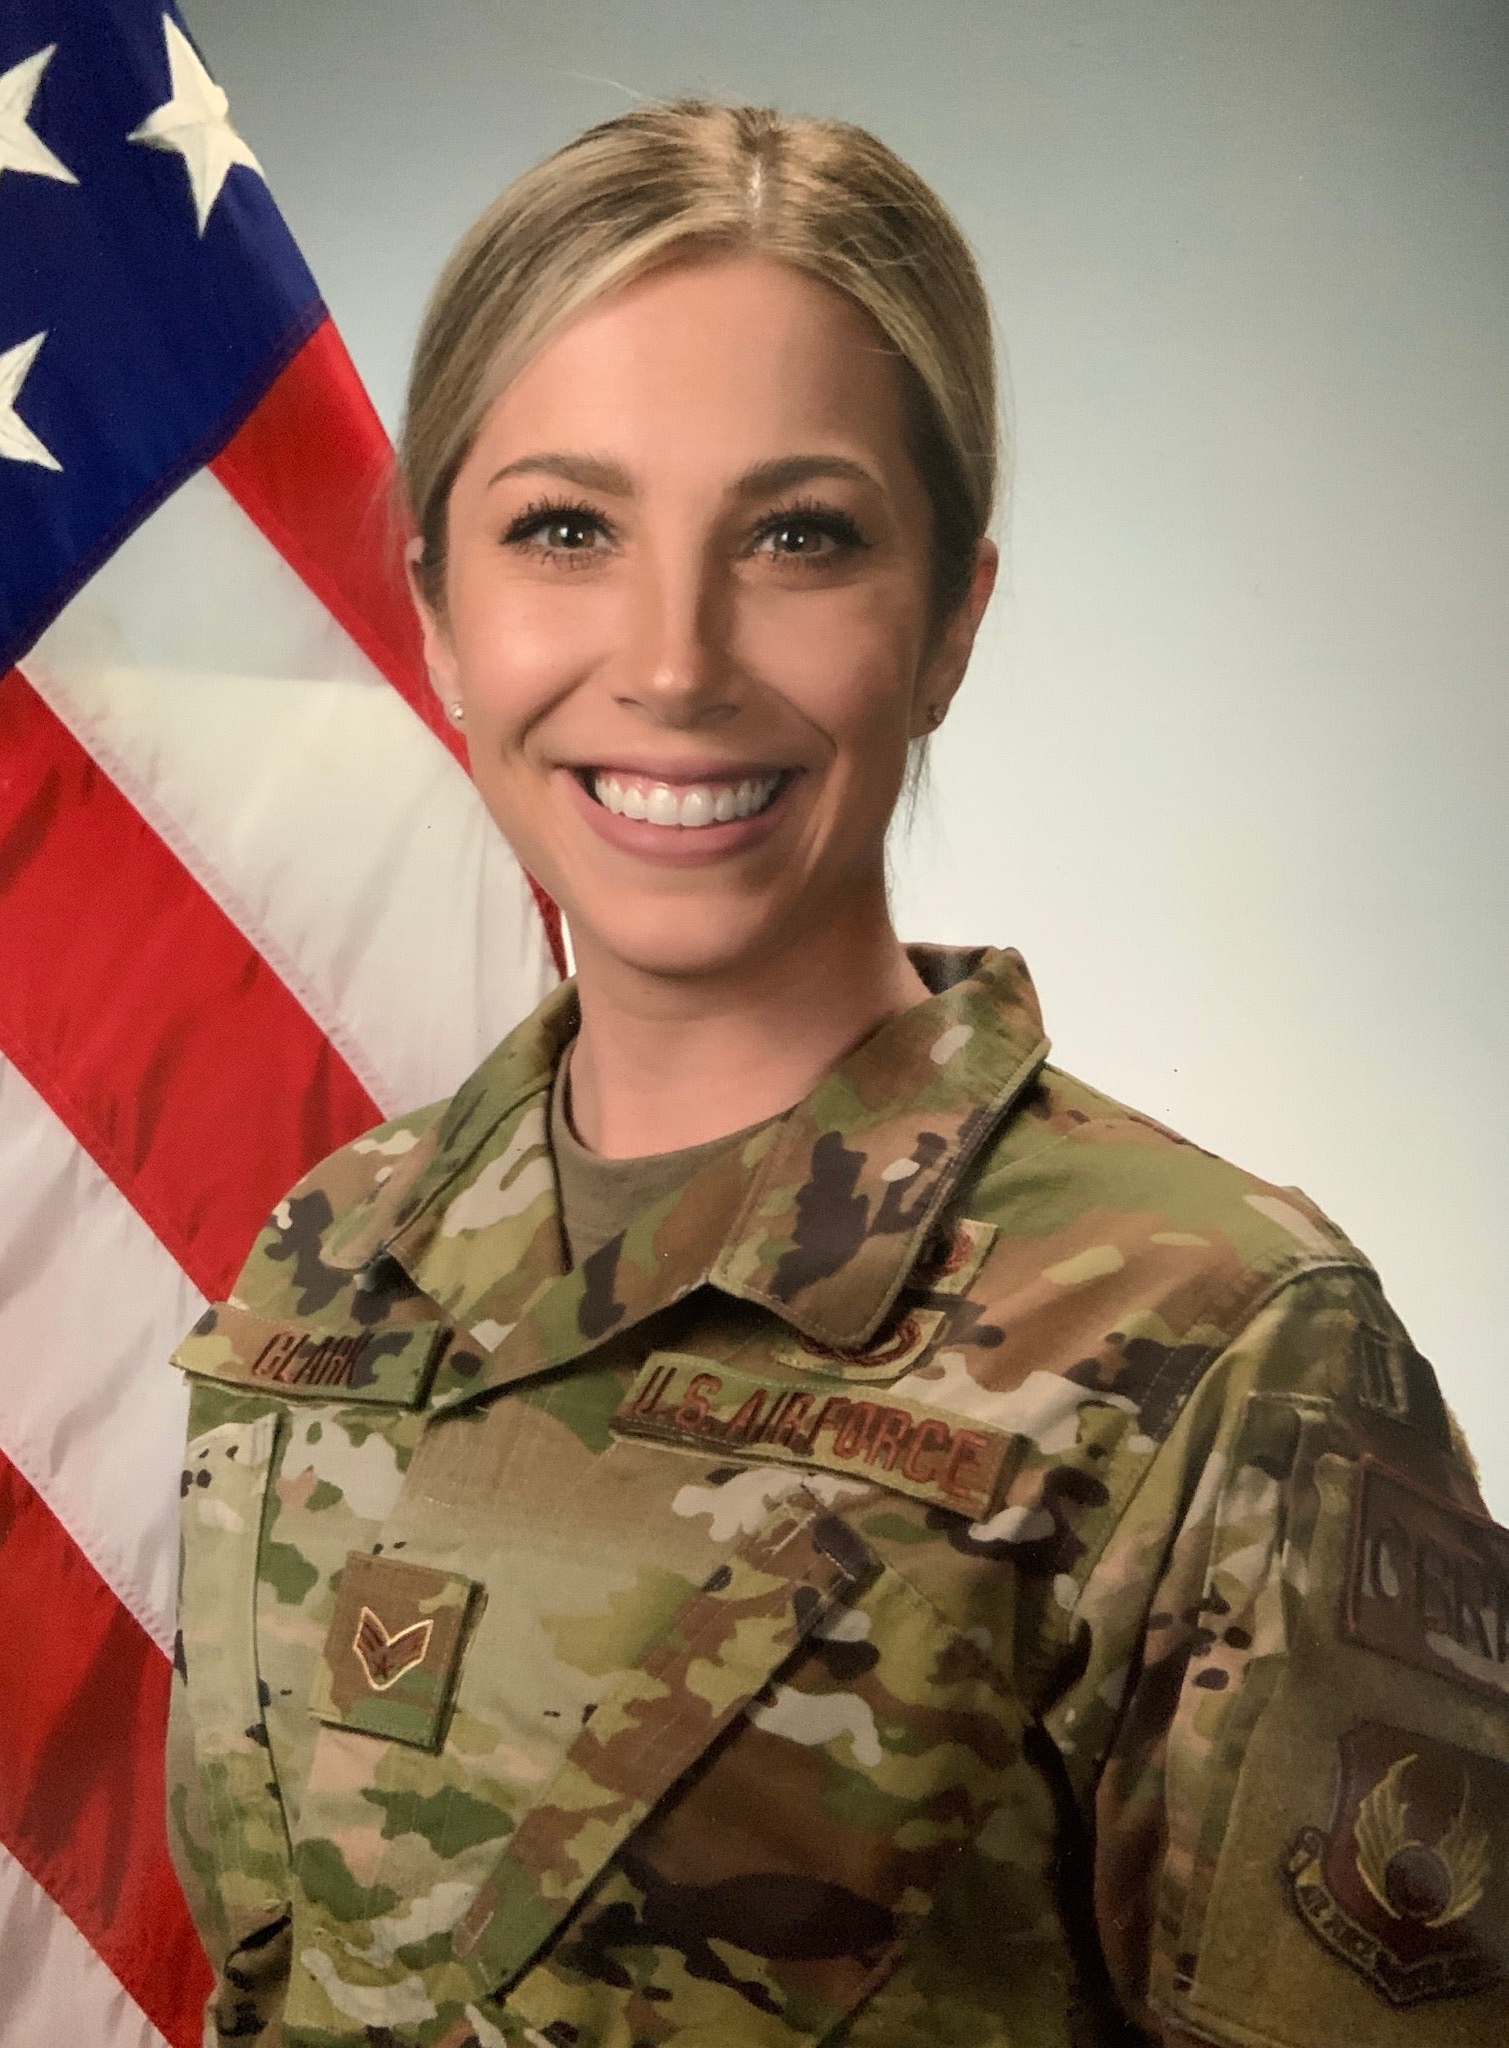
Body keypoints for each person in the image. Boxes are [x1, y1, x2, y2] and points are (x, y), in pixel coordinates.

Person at [165, 99, 1508, 2048]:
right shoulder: (323, 1261)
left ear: (950, 618)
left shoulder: (1230, 1355)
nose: (676, 659)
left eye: (798, 535)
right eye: (566, 528)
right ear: (439, 613)